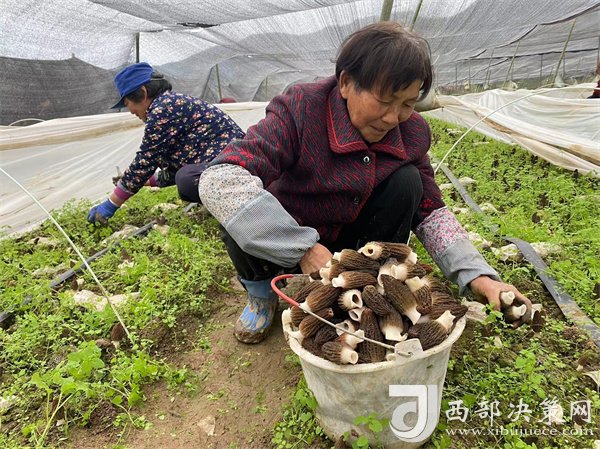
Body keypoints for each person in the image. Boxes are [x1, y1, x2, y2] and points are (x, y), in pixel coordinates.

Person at [198, 22, 533, 344]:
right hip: (289, 234)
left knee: (408, 183)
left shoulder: (412, 133)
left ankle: (371, 287)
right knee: (240, 205)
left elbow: (431, 211)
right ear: (346, 83)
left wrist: (479, 277)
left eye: (407, 103)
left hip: (355, 247)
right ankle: (261, 295)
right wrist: (302, 247)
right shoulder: (302, 109)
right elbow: (220, 180)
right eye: (384, 100)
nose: (393, 118)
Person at [87, 62, 245, 224]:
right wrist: (142, 181)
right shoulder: (170, 103)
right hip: (234, 162)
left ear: (143, 92)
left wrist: (111, 204)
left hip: (236, 165)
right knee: (184, 176)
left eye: (127, 103)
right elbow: (175, 168)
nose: (131, 111)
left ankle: (235, 207)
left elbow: (146, 160)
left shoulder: (163, 109)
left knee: (187, 180)